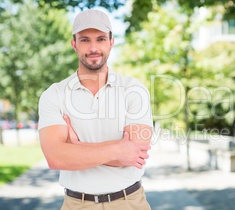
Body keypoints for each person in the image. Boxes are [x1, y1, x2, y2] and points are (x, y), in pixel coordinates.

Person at [38, 9, 153, 210]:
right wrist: (118, 149)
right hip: (77, 204)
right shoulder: (54, 94)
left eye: (100, 39)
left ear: (111, 42)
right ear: (74, 44)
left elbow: (135, 154)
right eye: (84, 40)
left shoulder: (134, 90)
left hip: (130, 202)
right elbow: (55, 157)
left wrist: (76, 146)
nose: (93, 47)